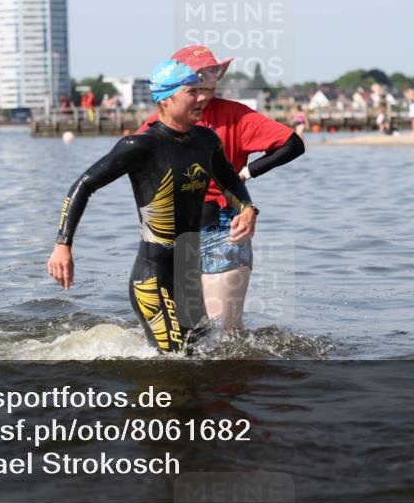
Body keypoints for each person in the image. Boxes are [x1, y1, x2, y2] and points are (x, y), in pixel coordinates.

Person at [48, 59, 258, 352]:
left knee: (201, 358)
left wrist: (247, 208)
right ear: (165, 99)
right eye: (191, 92)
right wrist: (63, 245)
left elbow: (230, 182)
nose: (202, 98)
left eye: (202, 90)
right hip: (153, 277)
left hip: (188, 275)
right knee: (178, 363)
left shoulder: (206, 141)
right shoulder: (141, 146)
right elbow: (84, 185)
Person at [137, 46, 304, 330]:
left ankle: (243, 369)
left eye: (209, 88)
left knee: (222, 331)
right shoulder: (157, 125)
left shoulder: (235, 116)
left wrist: (246, 174)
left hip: (224, 230)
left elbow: (292, 144)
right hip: (175, 236)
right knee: (184, 333)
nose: (203, 96)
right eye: (195, 88)